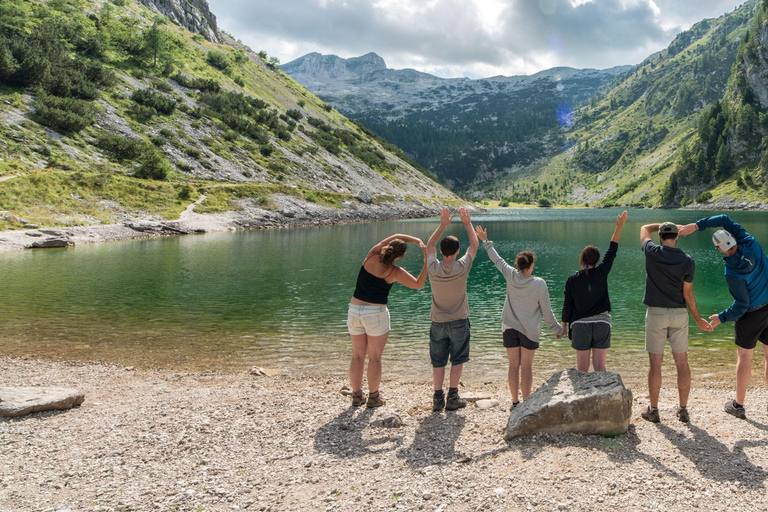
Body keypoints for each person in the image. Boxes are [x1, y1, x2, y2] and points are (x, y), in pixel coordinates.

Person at [680, 215, 768, 419]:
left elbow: (742, 304)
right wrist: (697, 226)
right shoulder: (749, 241)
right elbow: (724, 218)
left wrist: (722, 317)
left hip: (752, 314)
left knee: (745, 357)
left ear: (719, 249)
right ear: (735, 239)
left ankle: (738, 405)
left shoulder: (732, 271)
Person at [474, 225, 565, 410]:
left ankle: (515, 402)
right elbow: (547, 313)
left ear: (518, 264)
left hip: (509, 327)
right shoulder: (539, 284)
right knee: (527, 367)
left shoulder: (510, 275)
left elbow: (497, 260)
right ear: (531, 265)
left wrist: (485, 240)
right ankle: (526, 403)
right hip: (529, 332)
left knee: (513, 366)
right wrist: (559, 330)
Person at [639, 222, 712, 424]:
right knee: (682, 362)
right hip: (680, 314)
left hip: (656, 314)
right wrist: (697, 319)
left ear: (661, 236)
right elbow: (688, 293)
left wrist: (659, 225)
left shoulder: (652, 251)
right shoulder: (688, 261)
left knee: (655, 363)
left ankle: (653, 410)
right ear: (677, 237)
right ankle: (683, 409)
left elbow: (644, 229)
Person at [347, 234, 427, 408]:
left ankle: (356, 395)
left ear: (387, 247)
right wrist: (427, 261)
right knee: (374, 358)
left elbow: (396, 236)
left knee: (357, 356)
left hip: (354, 310)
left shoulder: (371, 255)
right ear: (399, 257)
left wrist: (414, 240)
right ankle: (373, 397)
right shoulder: (394, 271)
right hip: (375, 313)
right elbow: (418, 284)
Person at [425, 207, 479, 412]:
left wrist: (442, 224)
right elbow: (474, 244)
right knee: (458, 359)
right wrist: (467, 223)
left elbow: (429, 244)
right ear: (457, 251)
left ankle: (438, 398)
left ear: (441, 251)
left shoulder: (433, 268)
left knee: (438, 361)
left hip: (438, 322)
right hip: (459, 321)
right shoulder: (462, 266)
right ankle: (453, 396)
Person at [561, 211, 628, 372]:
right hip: (602, 324)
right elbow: (612, 251)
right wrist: (619, 227)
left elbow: (567, 305)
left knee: (582, 370)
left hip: (580, 326)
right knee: (600, 367)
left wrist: (563, 324)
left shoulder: (572, 279)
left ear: (582, 258)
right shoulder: (602, 272)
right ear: (597, 260)